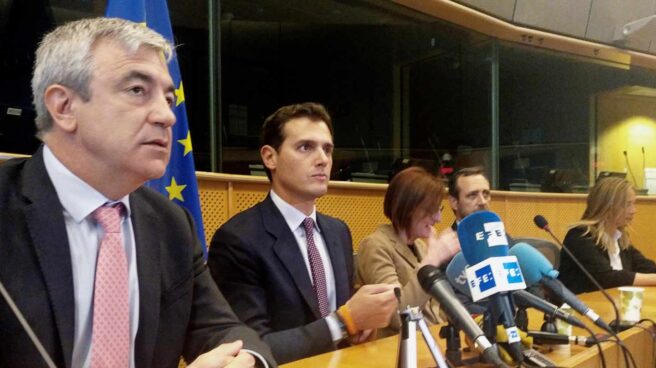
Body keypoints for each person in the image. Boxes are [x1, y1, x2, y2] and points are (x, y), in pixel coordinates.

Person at [0, 17, 274, 367]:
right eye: (136, 91)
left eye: (169, 98)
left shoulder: (171, 223)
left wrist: (247, 359)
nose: (166, 116)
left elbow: (225, 331)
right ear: (64, 106)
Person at [207, 102, 398, 364]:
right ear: (269, 157)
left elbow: (342, 323)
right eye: (305, 147)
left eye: (327, 149)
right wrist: (344, 322)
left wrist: (362, 326)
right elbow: (251, 348)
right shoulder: (238, 239)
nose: (322, 159)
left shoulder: (338, 231)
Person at [355, 167, 459, 337]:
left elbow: (435, 308)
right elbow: (396, 315)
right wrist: (431, 261)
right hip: (396, 350)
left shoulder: (420, 246)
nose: (438, 218)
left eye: (439, 209)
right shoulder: (375, 245)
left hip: (430, 340)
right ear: (408, 207)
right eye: (430, 210)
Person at [559, 177, 656, 294]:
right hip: (584, 306)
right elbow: (606, 278)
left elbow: (645, 266)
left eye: (633, 204)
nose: (633, 210)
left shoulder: (619, 238)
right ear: (607, 206)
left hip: (612, 305)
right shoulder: (580, 236)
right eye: (628, 204)